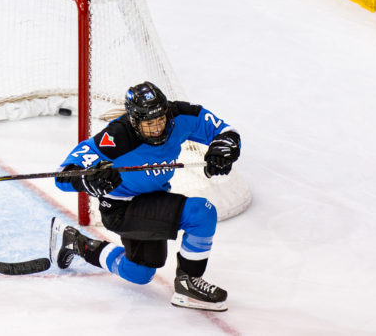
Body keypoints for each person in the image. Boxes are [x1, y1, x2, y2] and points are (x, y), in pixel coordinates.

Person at [49, 81, 240, 311]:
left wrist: (223, 149)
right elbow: (62, 176)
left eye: (160, 119)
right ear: (134, 120)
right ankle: (188, 282)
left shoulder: (178, 116)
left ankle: (77, 243)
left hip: (153, 199)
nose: (158, 127)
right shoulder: (117, 137)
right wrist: (89, 179)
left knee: (140, 273)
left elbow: (227, 131)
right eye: (149, 123)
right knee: (201, 212)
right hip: (121, 209)